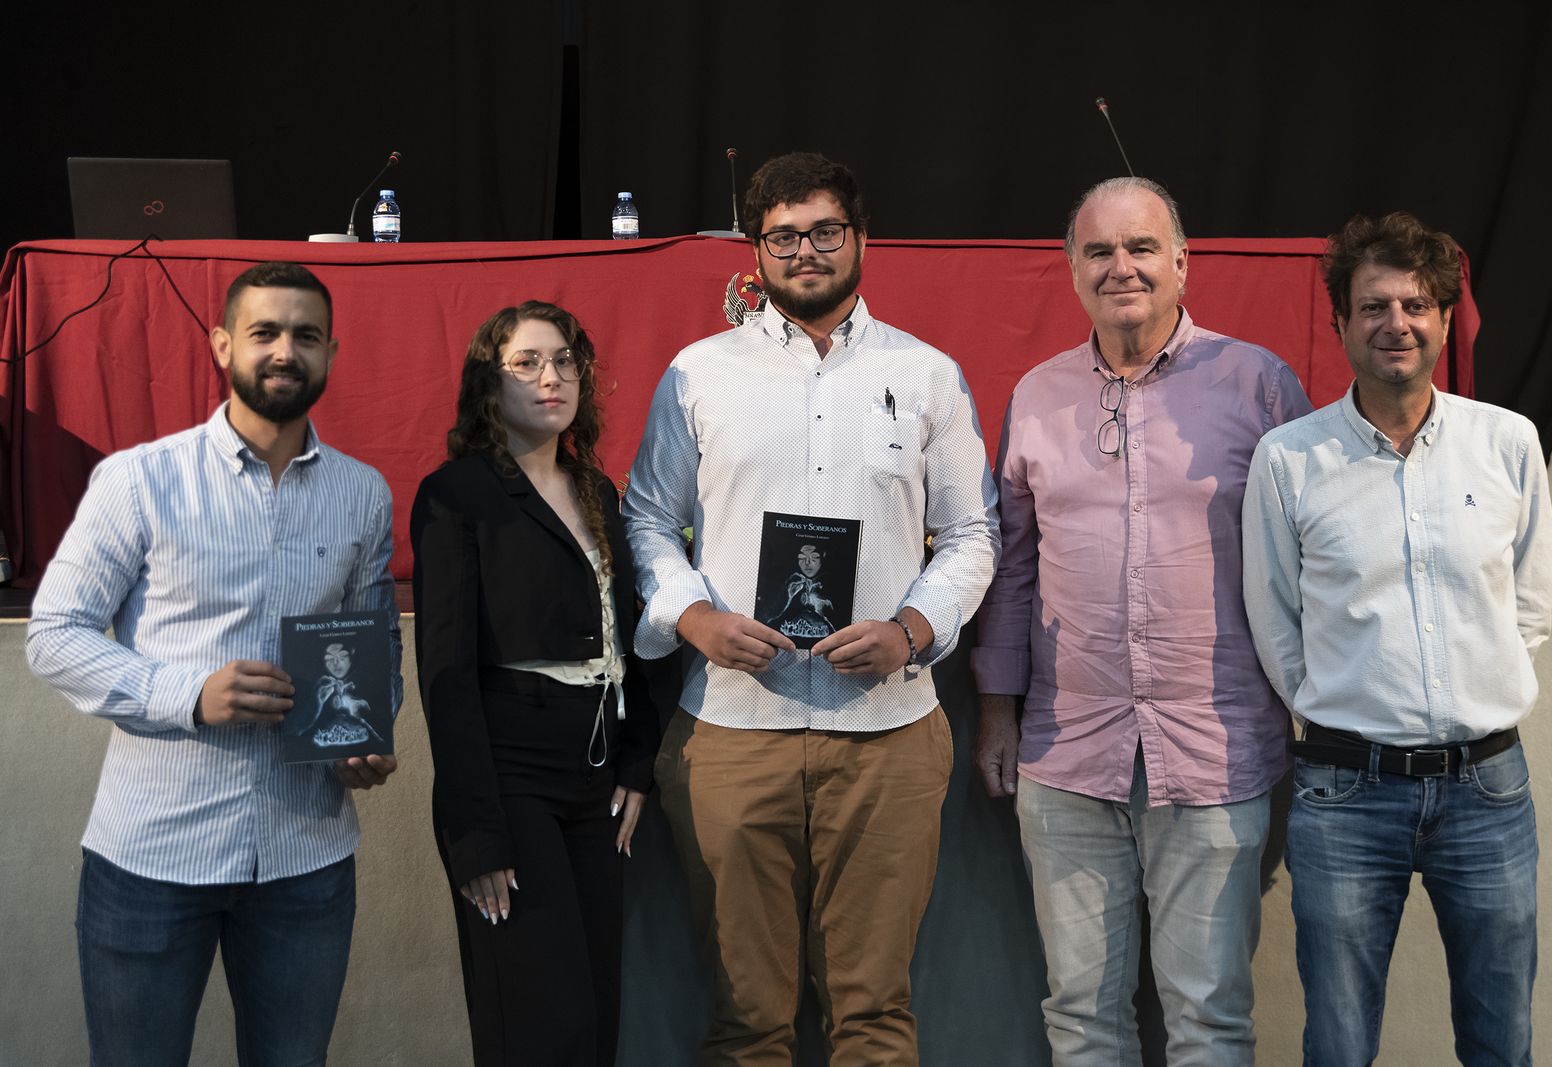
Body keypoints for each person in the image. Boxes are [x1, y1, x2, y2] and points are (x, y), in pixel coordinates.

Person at [623, 150, 998, 1064]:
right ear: (755, 252)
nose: (805, 251)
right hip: (732, 731)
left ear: (860, 238)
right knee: (748, 1020)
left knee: (874, 1017)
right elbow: (646, 519)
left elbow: (972, 533)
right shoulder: (699, 373)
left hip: (888, 735)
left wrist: (912, 629)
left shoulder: (927, 374)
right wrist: (693, 617)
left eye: (825, 231)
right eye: (783, 236)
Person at [970, 176, 1312, 1066]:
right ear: (1073, 270)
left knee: (1208, 1020)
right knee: (1082, 1019)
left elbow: (1313, 558)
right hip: (1067, 754)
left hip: (1216, 751)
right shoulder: (1037, 395)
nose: (1121, 266)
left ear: (1182, 263)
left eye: (1141, 247)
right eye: (1099, 251)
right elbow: (1012, 567)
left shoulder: (1260, 385)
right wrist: (998, 711)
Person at [26, 261, 402, 1066]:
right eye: (265, 332)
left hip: (306, 856)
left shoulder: (363, 493)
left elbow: (374, 638)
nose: (285, 351)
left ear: (331, 353)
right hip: (152, 857)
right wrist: (188, 694)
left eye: (305, 335)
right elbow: (54, 631)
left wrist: (366, 737)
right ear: (223, 344)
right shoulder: (139, 479)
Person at [1243, 211, 1552, 1067]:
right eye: (1374, 305)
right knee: (1339, 1044)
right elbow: (1275, 621)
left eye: (1416, 304)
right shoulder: (1288, 460)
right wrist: (1343, 712)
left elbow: (1529, 607)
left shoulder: (1508, 444)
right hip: (1345, 791)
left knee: (1502, 1040)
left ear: (1446, 319)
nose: (1397, 323)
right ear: (1340, 321)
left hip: (1488, 789)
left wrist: (1480, 685)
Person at [410, 300, 660, 1067]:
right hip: (509, 781)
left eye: (564, 360)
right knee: (540, 1026)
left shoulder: (598, 492)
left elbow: (629, 636)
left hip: (597, 783)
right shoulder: (457, 494)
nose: (551, 376)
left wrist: (637, 761)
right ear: (489, 383)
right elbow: (446, 674)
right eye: (526, 363)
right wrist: (475, 833)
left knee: (594, 1020)